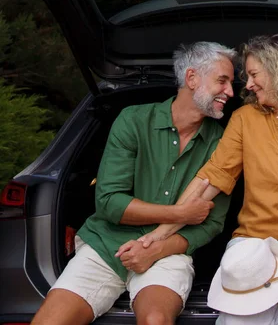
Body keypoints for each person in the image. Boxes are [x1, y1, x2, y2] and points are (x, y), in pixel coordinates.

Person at [137, 34, 278, 325]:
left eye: (253, 74)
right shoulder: (244, 118)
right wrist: (159, 233)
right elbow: (211, 179)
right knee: (241, 317)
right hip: (254, 242)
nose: (248, 84)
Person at [31, 41, 237, 325]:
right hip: (105, 244)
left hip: (169, 252)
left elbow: (212, 223)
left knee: (155, 320)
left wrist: (156, 247)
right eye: (222, 81)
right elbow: (109, 202)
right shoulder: (133, 120)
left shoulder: (223, 142)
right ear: (192, 78)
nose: (231, 92)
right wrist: (179, 214)